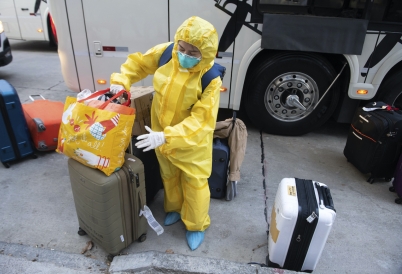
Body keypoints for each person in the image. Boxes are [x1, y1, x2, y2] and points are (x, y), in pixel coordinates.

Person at [109, 16, 221, 251]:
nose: (185, 54)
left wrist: (167, 136)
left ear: (207, 54)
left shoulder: (210, 79)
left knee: (195, 184)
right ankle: (174, 209)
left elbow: (202, 121)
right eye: (183, 47)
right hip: (160, 135)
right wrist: (122, 81)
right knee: (169, 176)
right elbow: (138, 64)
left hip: (191, 143)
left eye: (194, 52)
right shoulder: (166, 53)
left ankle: (196, 225)